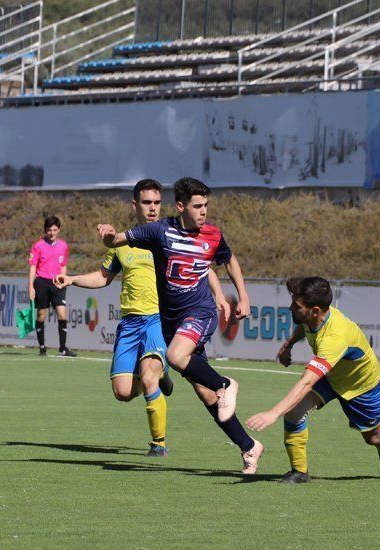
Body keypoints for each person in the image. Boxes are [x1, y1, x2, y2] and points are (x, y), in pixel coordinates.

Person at [98, 177, 264, 474]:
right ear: (180, 206)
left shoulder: (212, 234)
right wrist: (108, 234)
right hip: (172, 323)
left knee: (177, 358)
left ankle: (225, 383)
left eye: (206, 206)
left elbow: (228, 260)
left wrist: (243, 296)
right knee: (205, 394)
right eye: (197, 206)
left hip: (200, 314)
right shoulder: (159, 231)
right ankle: (248, 446)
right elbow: (117, 241)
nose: (204, 212)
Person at [56, 179, 229, 457]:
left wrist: (219, 295)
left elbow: (203, 267)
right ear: (135, 205)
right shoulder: (124, 244)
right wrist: (72, 279)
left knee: (148, 377)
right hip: (129, 322)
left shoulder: (167, 235)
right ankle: (161, 378)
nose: (152, 208)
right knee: (123, 392)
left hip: (159, 320)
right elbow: (103, 277)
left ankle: (158, 443)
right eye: (147, 203)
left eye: (157, 203)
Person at [247, 277, 380, 484]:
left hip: (360, 386)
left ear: (315, 310)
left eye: (296, 306)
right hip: (330, 376)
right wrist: (288, 346)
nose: (290, 308)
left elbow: (306, 382)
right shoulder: (313, 318)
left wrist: (273, 413)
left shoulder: (334, 337)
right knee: (294, 411)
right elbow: (304, 326)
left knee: (372, 438)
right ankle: (299, 472)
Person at [28, 216, 75, 357]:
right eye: (49, 230)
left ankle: (63, 348)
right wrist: (31, 286)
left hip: (57, 283)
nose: (52, 233)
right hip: (42, 282)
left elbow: (64, 266)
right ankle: (42, 347)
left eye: (55, 230)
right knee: (41, 316)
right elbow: (32, 267)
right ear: (45, 230)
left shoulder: (64, 246)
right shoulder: (38, 246)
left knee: (62, 314)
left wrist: (64, 280)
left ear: (59, 230)